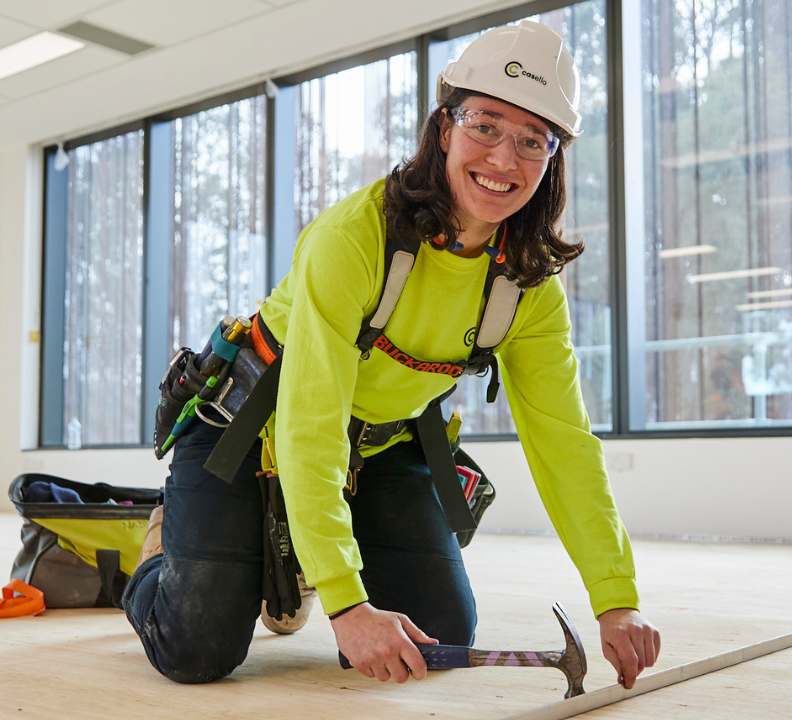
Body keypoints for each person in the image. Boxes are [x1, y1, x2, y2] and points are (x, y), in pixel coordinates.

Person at [122, 19, 660, 690]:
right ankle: (162, 547)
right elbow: (310, 417)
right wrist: (348, 602)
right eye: (486, 126)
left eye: (533, 140)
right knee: (196, 648)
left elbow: (563, 443)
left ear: (552, 157)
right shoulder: (352, 239)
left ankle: (296, 555)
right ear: (444, 128)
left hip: (375, 449)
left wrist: (616, 597)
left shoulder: (526, 286)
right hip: (247, 428)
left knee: (435, 636)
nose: (503, 160)